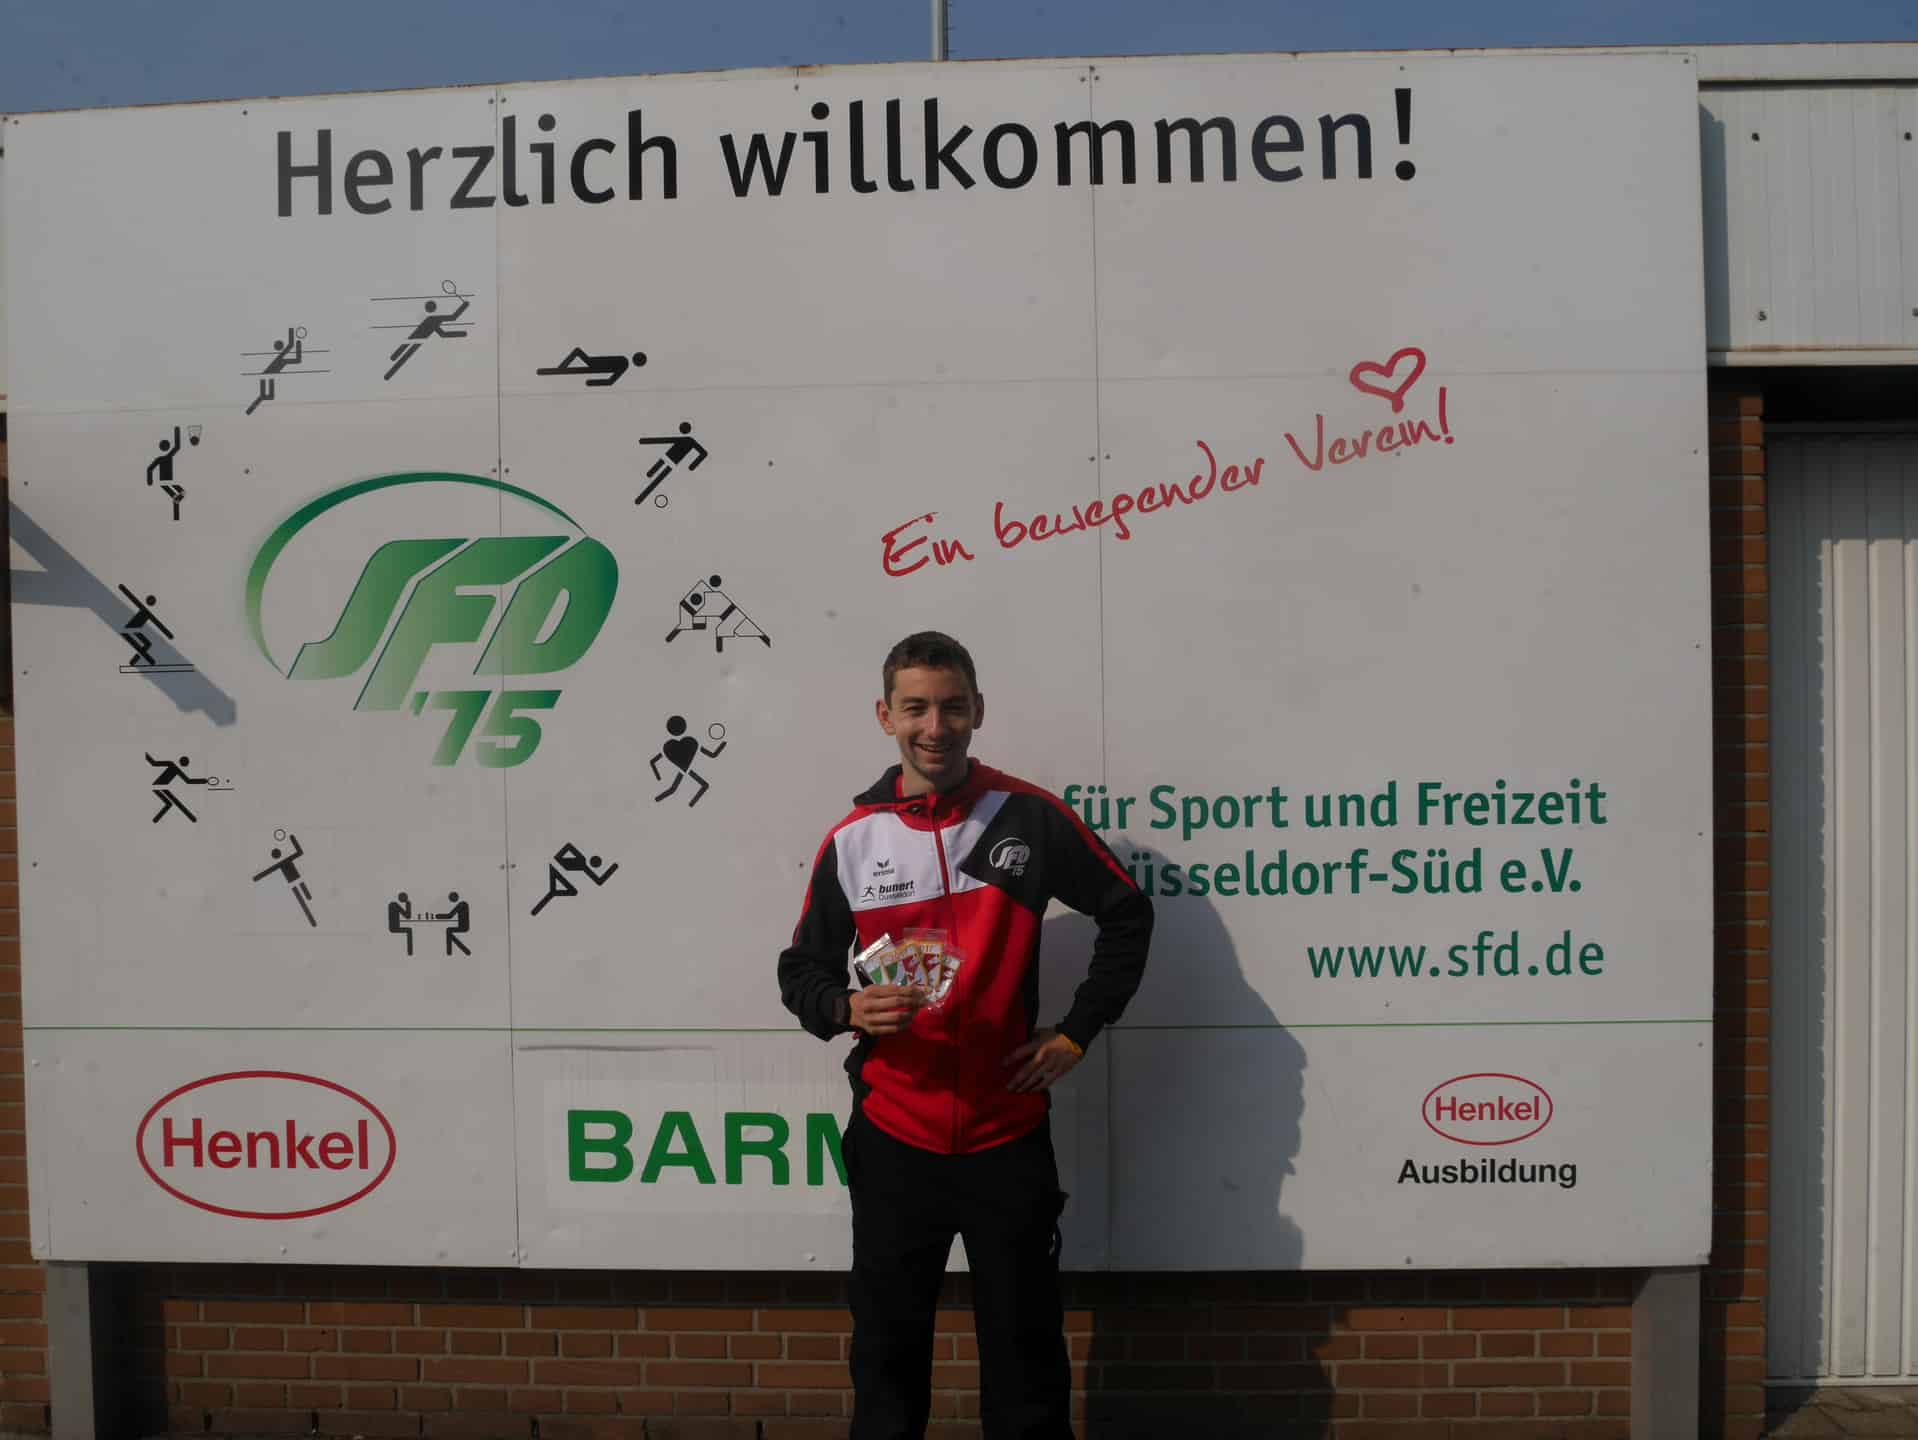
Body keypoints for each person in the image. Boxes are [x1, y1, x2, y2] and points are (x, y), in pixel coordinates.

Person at [778, 631, 1153, 1440]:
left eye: (952, 707)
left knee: (1025, 1362)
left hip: (1005, 1135)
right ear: (885, 716)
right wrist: (845, 1009)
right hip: (894, 1137)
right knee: (887, 1360)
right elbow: (800, 971)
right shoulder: (854, 839)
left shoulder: (1028, 817)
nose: (934, 727)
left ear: (977, 710)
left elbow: (1128, 914)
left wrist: (1077, 1033)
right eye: (915, 708)